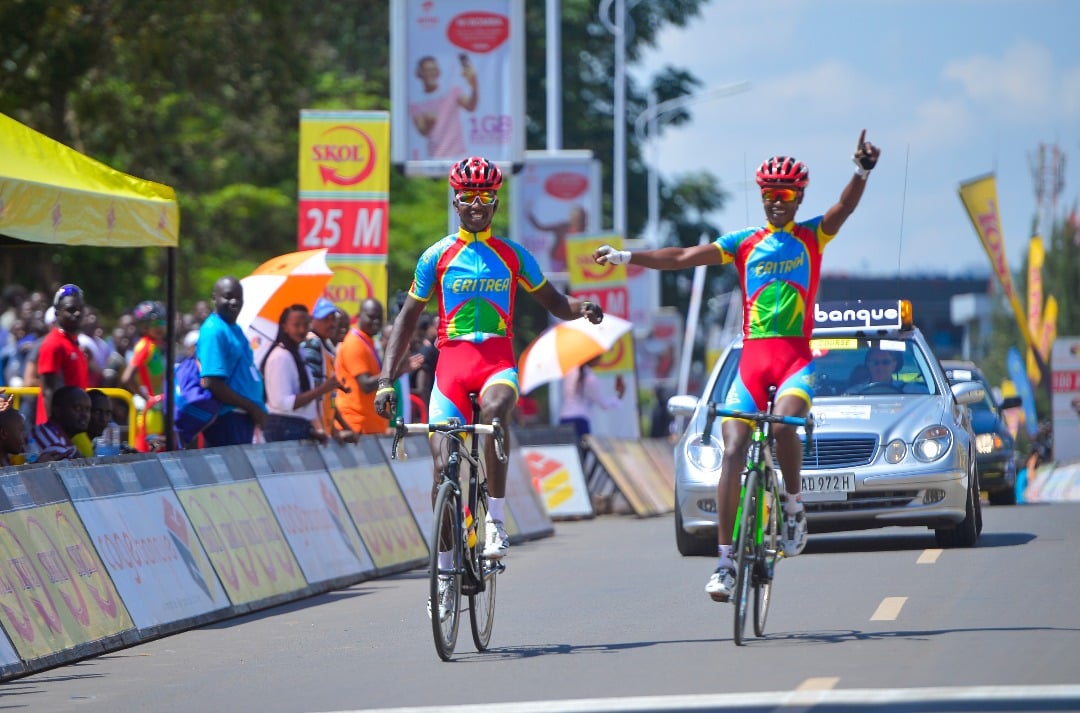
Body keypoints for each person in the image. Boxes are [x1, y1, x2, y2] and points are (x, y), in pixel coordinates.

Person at [594, 131, 881, 603]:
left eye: (785, 195)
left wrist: (861, 171)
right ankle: (725, 563)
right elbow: (683, 257)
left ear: (799, 198)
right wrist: (626, 256)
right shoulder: (744, 243)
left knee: (785, 425)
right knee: (731, 451)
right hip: (752, 361)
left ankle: (793, 506)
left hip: (794, 359)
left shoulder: (811, 237)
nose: (776, 203)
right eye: (769, 195)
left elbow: (844, 207)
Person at [374, 156, 603, 617]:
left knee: (496, 412)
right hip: (451, 370)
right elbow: (406, 320)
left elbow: (555, 302)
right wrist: (384, 381)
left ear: (495, 202)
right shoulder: (436, 256)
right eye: (468, 196)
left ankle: (495, 521)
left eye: (485, 197)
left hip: (496, 363)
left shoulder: (513, 255)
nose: (476, 204)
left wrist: (582, 308)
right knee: (442, 472)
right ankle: (443, 575)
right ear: (455, 202)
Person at [196, 276, 267, 447]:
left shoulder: (235, 329)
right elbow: (212, 382)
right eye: (228, 297)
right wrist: (252, 408)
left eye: (238, 297)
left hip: (242, 418)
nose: (234, 302)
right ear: (214, 298)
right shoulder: (214, 330)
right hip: (226, 419)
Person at [261, 304, 343, 443]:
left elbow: (308, 400)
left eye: (305, 325)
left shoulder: (299, 353)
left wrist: (317, 429)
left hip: (300, 424)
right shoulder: (280, 357)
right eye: (296, 325)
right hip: (283, 425)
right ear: (285, 327)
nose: (302, 330)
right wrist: (321, 390)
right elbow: (283, 403)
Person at [35, 284, 89, 425]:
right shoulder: (53, 343)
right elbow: (48, 390)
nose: (77, 314)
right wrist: (53, 428)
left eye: (80, 309)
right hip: (58, 427)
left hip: (74, 424)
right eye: (71, 310)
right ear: (57, 313)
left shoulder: (73, 342)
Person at [335, 298, 390, 436]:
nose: (376, 322)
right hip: (356, 427)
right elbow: (366, 385)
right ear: (359, 316)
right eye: (371, 317)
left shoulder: (367, 341)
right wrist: (395, 371)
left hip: (369, 427)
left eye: (379, 318)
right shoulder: (354, 343)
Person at [301, 298, 352, 441]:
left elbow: (328, 396)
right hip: (316, 429)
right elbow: (313, 392)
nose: (331, 323)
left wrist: (337, 430)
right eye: (325, 319)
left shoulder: (325, 345)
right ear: (312, 320)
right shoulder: (312, 344)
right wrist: (317, 427)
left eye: (333, 319)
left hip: (325, 426)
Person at [409, 55, 477, 160]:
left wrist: (475, 86)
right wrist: (429, 122)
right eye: (427, 70)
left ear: (438, 72)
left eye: (433, 70)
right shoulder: (415, 102)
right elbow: (422, 131)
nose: (431, 73)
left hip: (458, 155)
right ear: (420, 73)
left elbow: (470, 106)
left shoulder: (452, 91)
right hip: (434, 158)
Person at [122, 300, 168, 450]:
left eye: (162, 322)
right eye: (154, 323)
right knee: (150, 453)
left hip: (158, 409)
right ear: (144, 326)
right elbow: (127, 377)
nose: (160, 327)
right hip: (149, 412)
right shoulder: (144, 346)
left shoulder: (156, 346)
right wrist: (147, 398)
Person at [559, 355, 626, 441]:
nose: (600, 360)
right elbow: (603, 404)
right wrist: (619, 396)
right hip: (580, 421)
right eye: (599, 357)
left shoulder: (571, 372)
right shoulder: (590, 378)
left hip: (564, 418)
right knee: (582, 448)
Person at [27, 385, 91, 461]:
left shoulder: (63, 438)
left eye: (87, 409)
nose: (85, 415)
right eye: (78, 408)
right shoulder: (52, 443)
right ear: (57, 410)